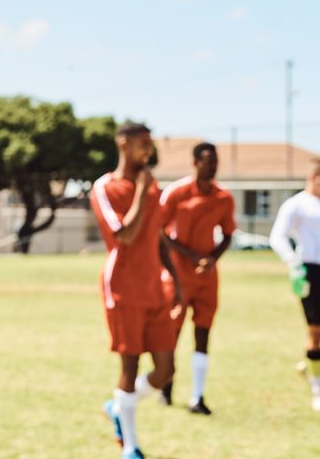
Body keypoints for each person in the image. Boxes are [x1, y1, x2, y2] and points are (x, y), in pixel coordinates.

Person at [90, 122, 181, 459]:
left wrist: (177, 283)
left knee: (166, 370)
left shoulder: (152, 186)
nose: (148, 150)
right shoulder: (105, 187)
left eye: (150, 144)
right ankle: (131, 446)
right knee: (129, 367)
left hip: (154, 287)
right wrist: (142, 191)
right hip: (123, 287)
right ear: (123, 143)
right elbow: (124, 236)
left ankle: (117, 406)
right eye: (143, 144)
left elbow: (157, 237)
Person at [157, 142, 235, 415]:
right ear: (195, 162)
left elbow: (227, 234)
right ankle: (165, 385)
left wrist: (212, 258)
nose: (212, 166)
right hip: (177, 273)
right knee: (172, 333)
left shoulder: (223, 197)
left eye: (215, 161)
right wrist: (189, 255)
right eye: (207, 161)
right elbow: (160, 231)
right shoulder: (177, 192)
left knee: (203, 333)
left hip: (206, 275)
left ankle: (197, 397)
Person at [269, 157, 320, 412]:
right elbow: (277, 235)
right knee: (316, 332)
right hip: (310, 270)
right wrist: (292, 262)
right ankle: (317, 385)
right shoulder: (297, 204)